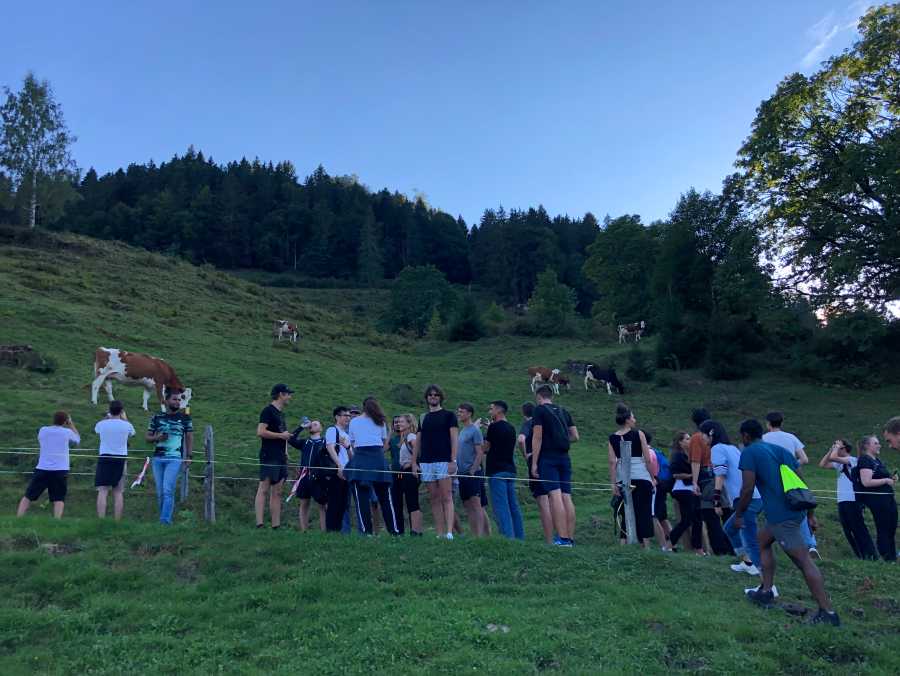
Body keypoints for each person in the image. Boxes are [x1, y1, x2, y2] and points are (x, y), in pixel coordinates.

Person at [733, 419, 840, 626]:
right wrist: (810, 514)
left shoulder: (749, 452)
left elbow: (747, 488)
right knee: (762, 541)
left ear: (745, 436)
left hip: (782, 517)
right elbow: (801, 480)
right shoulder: (778, 450)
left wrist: (739, 513)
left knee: (803, 561)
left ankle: (828, 613)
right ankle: (765, 591)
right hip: (792, 510)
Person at [702, 420, 762, 576]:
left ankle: (757, 566)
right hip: (751, 496)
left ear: (710, 433)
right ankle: (748, 562)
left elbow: (720, 475)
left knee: (748, 533)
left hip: (747, 497)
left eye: (703, 434)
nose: (702, 438)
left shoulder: (716, 449)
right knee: (730, 529)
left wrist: (716, 500)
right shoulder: (732, 448)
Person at [763, 410, 818, 558]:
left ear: (768, 423)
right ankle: (810, 544)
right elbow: (804, 459)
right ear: (782, 423)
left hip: (773, 479)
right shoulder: (791, 437)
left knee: (776, 510)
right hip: (793, 478)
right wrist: (790, 466)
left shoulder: (763, 439)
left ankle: (777, 545)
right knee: (800, 506)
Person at [531, 384, 579, 546]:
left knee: (555, 495)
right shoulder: (563, 410)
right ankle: (570, 538)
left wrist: (535, 462)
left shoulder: (539, 410)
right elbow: (575, 436)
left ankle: (562, 538)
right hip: (564, 457)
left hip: (548, 457)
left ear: (539, 397)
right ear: (551, 396)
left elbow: (537, 437)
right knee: (567, 496)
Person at [345, 396, 400, 535]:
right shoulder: (380, 421)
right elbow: (383, 442)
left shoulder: (354, 421)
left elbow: (352, 442)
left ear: (363, 407)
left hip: (361, 458)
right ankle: (394, 531)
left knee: (361, 499)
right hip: (378, 459)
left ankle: (366, 532)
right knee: (386, 499)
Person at [411, 384, 458, 540]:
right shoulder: (423, 417)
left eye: (436, 394)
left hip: (444, 460)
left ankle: (450, 531)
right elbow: (418, 441)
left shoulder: (449, 415)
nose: (433, 397)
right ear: (426, 398)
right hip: (426, 461)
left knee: (447, 496)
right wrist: (413, 462)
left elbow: (454, 438)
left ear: (440, 397)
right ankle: (439, 532)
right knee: (434, 497)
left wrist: (453, 460)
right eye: (430, 395)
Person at [818, 440, 876, 559]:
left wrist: (836, 449)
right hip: (842, 500)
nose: (835, 449)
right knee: (848, 529)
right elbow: (822, 464)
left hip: (853, 499)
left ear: (844, 449)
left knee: (858, 528)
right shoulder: (839, 463)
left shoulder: (852, 460)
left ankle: (870, 554)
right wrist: (831, 449)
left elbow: (834, 457)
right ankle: (859, 554)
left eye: (838, 447)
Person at [17, 411, 80, 519]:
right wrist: (71, 424)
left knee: (28, 495)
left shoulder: (43, 430)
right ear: (65, 421)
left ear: (53, 419)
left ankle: (19, 517)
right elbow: (77, 440)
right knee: (58, 498)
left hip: (42, 468)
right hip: (60, 470)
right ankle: (56, 521)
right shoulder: (66, 432)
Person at [607, 404, 655, 547]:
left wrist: (614, 483)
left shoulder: (612, 438)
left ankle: (624, 543)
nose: (635, 419)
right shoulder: (638, 433)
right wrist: (652, 477)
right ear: (627, 419)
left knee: (626, 511)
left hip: (623, 478)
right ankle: (646, 545)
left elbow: (612, 462)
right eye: (633, 417)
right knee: (644, 511)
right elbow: (647, 458)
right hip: (640, 476)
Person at [688, 408, 730, 556]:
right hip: (723, 477)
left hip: (706, 478)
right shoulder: (721, 436)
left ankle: (720, 550)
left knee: (710, 516)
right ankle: (733, 547)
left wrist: (694, 481)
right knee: (727, 512)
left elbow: (695, 461)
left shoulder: (697, 438)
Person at [484, 400, 524, 540]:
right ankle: (519, 537)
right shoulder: (511, 427)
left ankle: (508, 538)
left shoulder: (493, 427)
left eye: (491, 409)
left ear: (499, 410)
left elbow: (486, 448)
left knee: (501, 507)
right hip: (510, 469)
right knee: (513, 505)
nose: (489, 412)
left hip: (496, 470)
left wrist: (482, 433)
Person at [255, 384, 293, 529]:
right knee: (264, 487)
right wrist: (280, 435)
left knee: (278, 491)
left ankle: (276, 525)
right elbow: (260, 431)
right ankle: (259, 523)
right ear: (280, 394)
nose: (290, 397)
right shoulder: (268, 411)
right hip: (269, 454)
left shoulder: (281, 414)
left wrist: (286, 450)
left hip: (280, 455)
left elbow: (283, 436)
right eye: (288, 394)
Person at [856, 435, 897, 561]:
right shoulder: (865, 460)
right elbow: (866, 482)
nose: (879, 445)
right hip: (878, 501)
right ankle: (887, 557)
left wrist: (891, 478)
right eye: (876, 443)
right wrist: (885, 480)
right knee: (883, 527)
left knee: (892, 526)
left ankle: (893, 556)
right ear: (866, 446)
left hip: (888, 498)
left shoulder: (877, 460)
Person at [94, 400, 135, 520]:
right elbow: (132, 433)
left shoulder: (102, 424)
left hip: (105, 457)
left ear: (109, 410)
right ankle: (117, 520)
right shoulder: (127, 425)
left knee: (102, 490)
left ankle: (101, 519)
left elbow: (96, 430)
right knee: (118, 491)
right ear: (121, 411)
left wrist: (107, 417)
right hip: (120, 458)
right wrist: (125, 419)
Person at [519, 402, 553, 544]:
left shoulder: (529, 423)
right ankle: (562, 536)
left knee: (543, 501)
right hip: (550, 460)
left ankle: (549, 541)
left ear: (523, 413)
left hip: (536, 461)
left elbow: (521, 439)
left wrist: (526, 454)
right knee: (554, 500)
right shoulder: (546, 422)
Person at [456, 403, 489, 537]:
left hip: (472, 472)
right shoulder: (463, 430)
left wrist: (473, 469)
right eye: (458, 412)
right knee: (468, 505)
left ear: (469, 413)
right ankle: (475, 533)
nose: (459, 414)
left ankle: (480, 536)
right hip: (462, 473)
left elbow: (480, 451)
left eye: (462, 412)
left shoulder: (475, 431)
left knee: (476, 504)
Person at [668, 431, 704, 554]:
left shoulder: (690, 454)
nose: (690, 441)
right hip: (683, 489)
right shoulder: (678, 455)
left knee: (697, 520)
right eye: (687, 439)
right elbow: (675, 474)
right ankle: (669, 543)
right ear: (680, 442)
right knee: (687, 520)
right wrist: (692, 475)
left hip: (692, 489)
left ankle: (698, 548)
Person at [289, 420, 326, 531]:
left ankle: (324, 531)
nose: (312, 426)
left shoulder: (325, 442)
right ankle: (304, 531)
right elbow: (291, 439)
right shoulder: (305, 442)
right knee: (304, 503)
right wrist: (301, 427)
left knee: (322, 504)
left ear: (321, 429)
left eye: (315, 424)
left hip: (319, 477)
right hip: (304, 477)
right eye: (311, 424)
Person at [390, 413, 423, 535]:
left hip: (410, 472)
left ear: (409, 424)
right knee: (411, 500)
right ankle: (417, 530)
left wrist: (412, 463)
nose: (399, 424)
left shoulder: (410, 436)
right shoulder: (406, 437)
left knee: (412, 501)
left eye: (402, 422)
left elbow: (418, 449)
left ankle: (416, 530)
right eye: (398, 422)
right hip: (406, 472)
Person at [323, 406, 353, 533]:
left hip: (346, 472)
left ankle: (340, 530)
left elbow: (352, 456)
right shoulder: (332, 430)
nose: (348, 418)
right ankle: (332, 530)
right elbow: (330, 448)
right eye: (345, 415)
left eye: (348, 416)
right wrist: (339, 466)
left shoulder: (346, 434)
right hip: (336, 471)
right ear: (337, 417)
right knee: (334, 501)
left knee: (344, 503)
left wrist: (347, 447)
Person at [647, 432, 673, 551]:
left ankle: (664, 546)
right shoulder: (658, 451)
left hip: (655, 485)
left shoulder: (647, 452)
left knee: (654, 516)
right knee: (663, 517)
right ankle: (673, 543)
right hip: (663, 484)